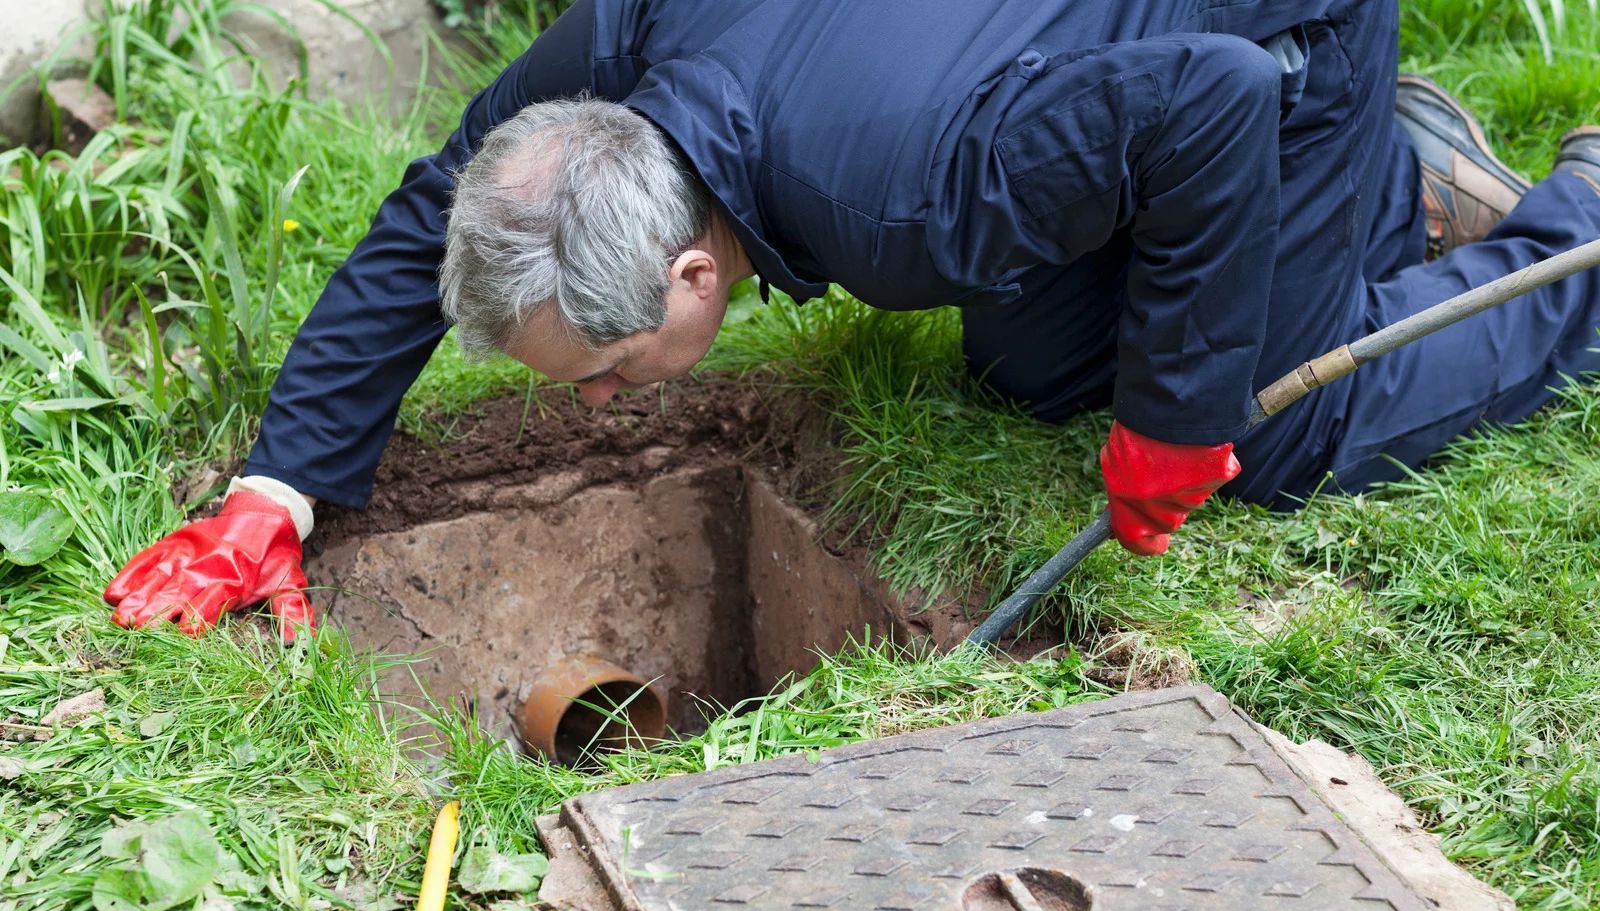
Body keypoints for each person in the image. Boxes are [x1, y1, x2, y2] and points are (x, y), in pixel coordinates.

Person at [104, 0, 1600, 642]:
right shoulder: (625, 49)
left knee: (1271, 434)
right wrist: (275, 489)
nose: (598, 406)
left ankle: (1569, 227)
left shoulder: (907, 207)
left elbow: (1206, 101)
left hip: (1269, 40)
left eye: (608, 375)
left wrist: (1180, 420)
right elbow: (445, 193)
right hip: (1093, 52)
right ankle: (1384, 180)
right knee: (1030, 364)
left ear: (697, 279)